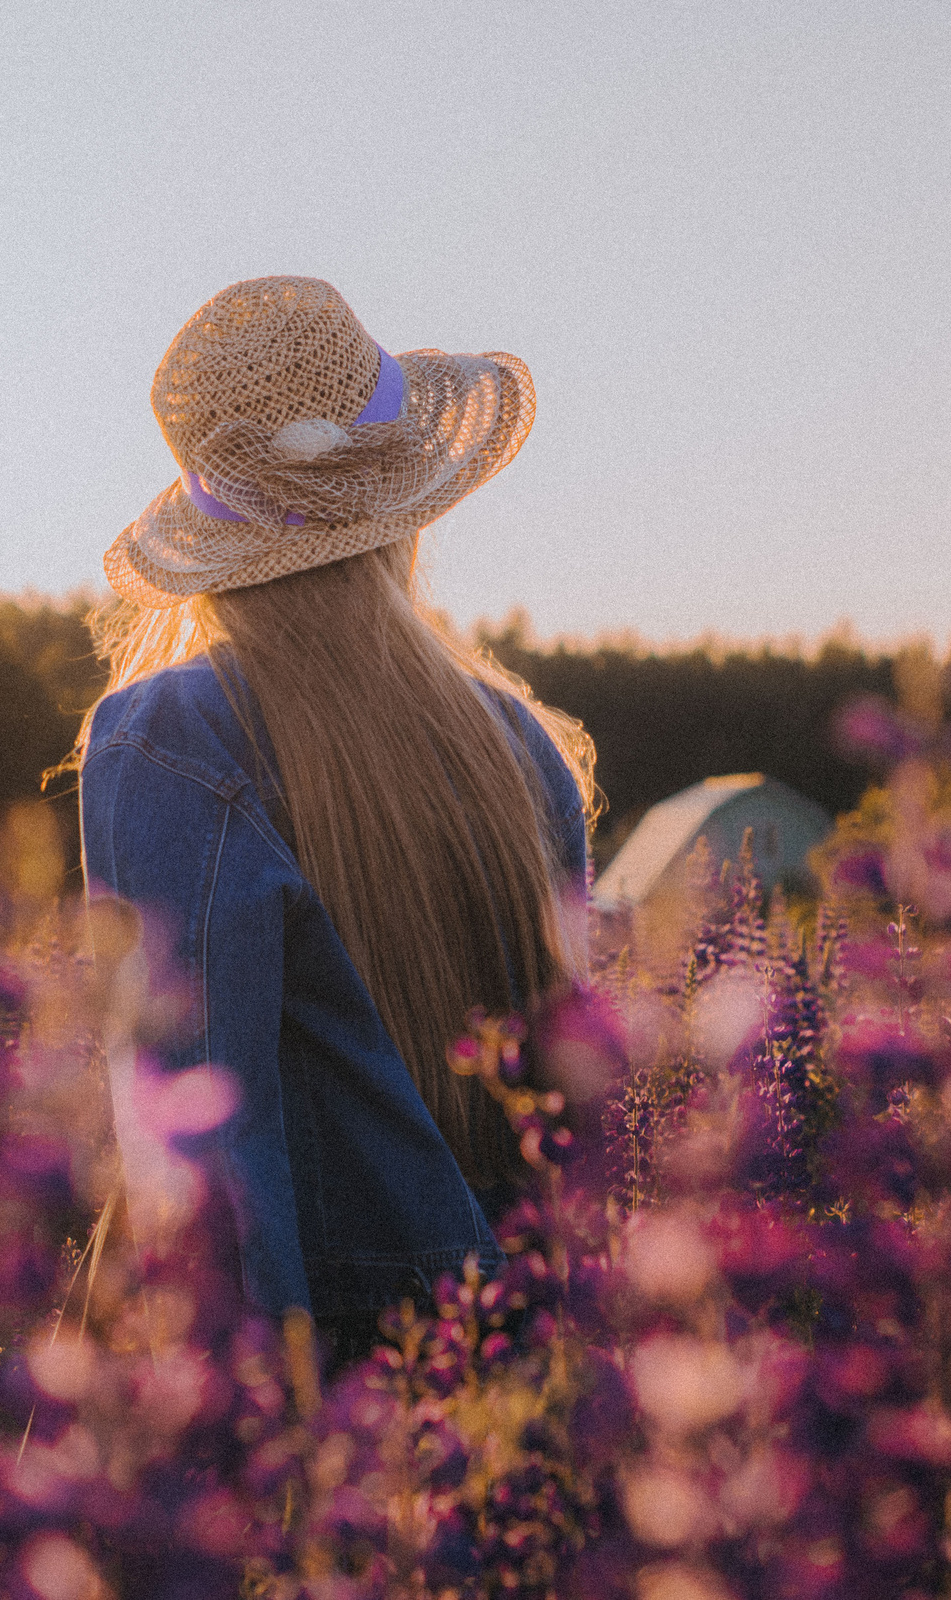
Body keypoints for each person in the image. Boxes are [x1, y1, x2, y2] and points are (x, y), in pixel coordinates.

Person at [74, 275, 596, 1358]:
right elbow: (567, 1123)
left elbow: (200, 1156)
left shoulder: (164, 741)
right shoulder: (523, 749)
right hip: (512, 1348)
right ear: (404, 517)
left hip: (306, 1361)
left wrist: (261, 1438)